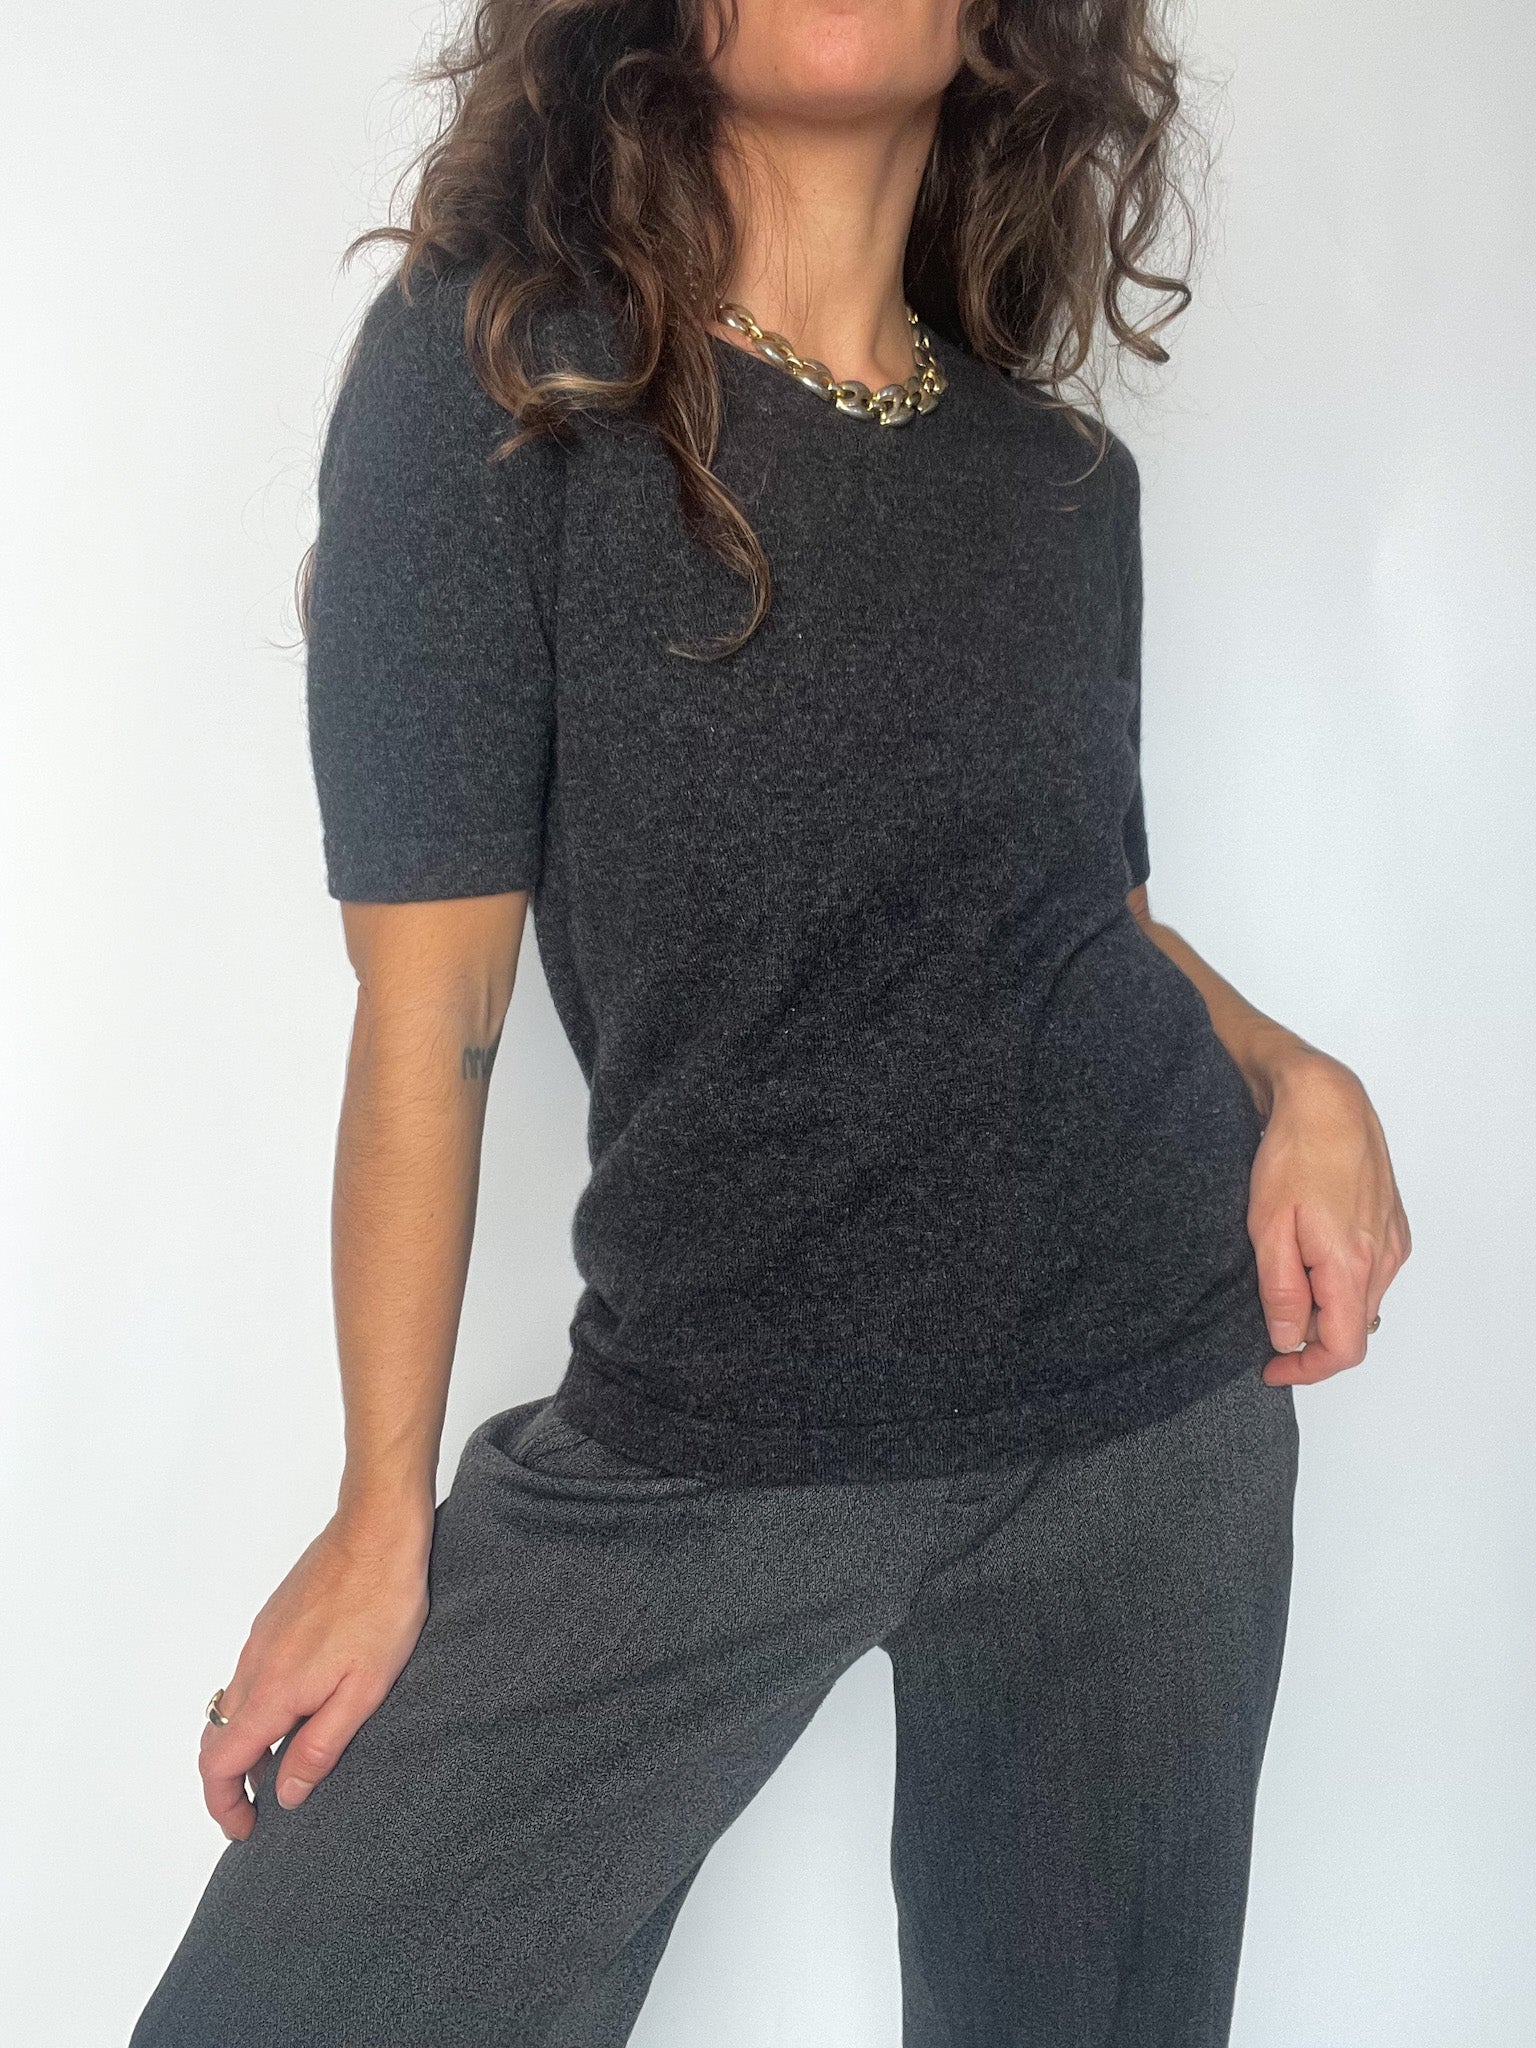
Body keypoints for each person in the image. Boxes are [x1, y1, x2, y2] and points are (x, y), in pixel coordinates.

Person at [131, 1, 1411, 2042]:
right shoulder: (501, 378)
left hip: (1153, 1416)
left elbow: (1079, 916)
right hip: (714, 1421)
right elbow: (431, 1004)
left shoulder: (1055, 480)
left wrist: (1292, 1070)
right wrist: (384, 1511)